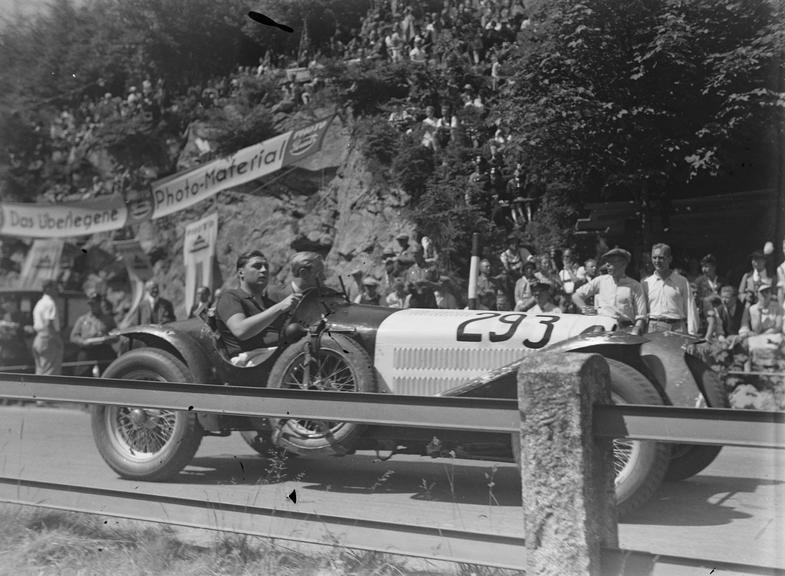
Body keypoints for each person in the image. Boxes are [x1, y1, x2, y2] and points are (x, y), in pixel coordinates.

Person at [215, 250, 302, 366]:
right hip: (251, 360)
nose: (264, 270)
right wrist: (279, 308)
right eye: (257, 266)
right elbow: (240, 330)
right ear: (241, 273)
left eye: (266, 266)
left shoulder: (269, 302)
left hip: (276, 356)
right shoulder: (230, 298)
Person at [572, 248, 647, 335]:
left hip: (624, 331)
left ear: (624, 264)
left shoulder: (635, 286)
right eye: (607, 261)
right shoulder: (600, 280)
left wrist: (635, 333)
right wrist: (585, 309)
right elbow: (576, 296)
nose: (607, 264)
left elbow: (641, 316)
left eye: (612, 261)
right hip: (600, 329)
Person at [642, 243, 699, 335]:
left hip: (677, 328)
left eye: (661, 258)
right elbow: (642, 312)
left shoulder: (682, 281)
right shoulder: (646, 283)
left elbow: (690, 307)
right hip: (654, 328)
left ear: (670, 259)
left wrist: (692, 335)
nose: (657, 261)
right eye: (654, 257)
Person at [70, 291, 118, 376]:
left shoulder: (108, 319)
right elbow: (74, 336)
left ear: (99, 303)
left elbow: (116, 334)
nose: (92, 306)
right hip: (87, 350)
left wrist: (108, 338)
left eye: (94, 304)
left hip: (103, 349)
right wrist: (82, 342)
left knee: (110, 372)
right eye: (90, 304)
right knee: (82, 374)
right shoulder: (83, 319)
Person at [32, 280, 64, 376]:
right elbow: (48, 323)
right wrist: (58, 340)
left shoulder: (40, 303)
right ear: (48, 289)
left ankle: (37, 391)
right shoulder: (50, 303)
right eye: (55, 288)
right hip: (48, 338)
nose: (57, 291)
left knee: (40, 371)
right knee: (51, 372)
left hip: (38, 339)